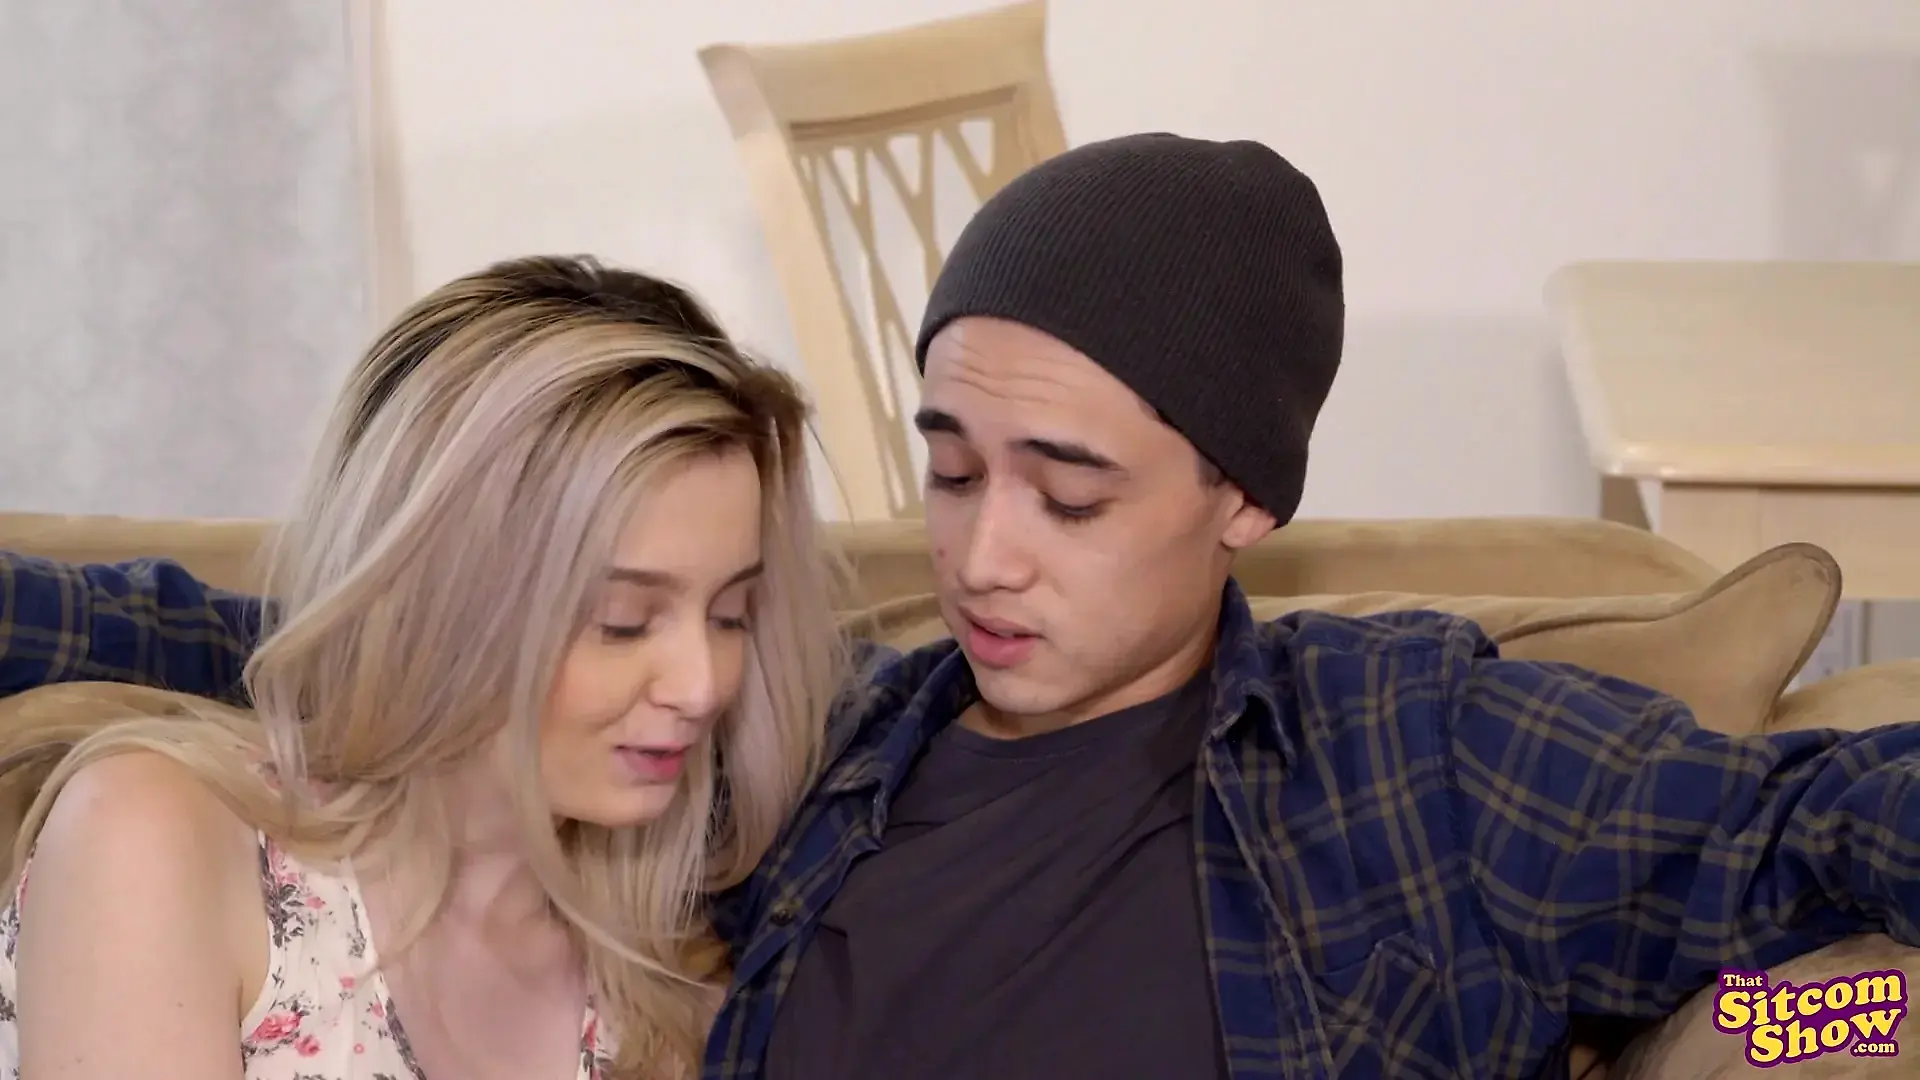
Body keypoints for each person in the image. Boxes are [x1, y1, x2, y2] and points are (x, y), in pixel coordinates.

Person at [4, 135, 1920, 1080]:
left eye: (1068, 493)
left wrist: (1779, 1038)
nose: (986, 555)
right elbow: (384, 631)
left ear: (1241, 498)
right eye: (948, 466)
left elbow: (1825, 853)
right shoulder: (808, 752)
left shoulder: (1413, 757)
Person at [0, 255, 847, 1080]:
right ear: (442, 601)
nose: (702, 685)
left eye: (732, 614)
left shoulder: (672, 999)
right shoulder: (156, 840)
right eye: (622, 623)